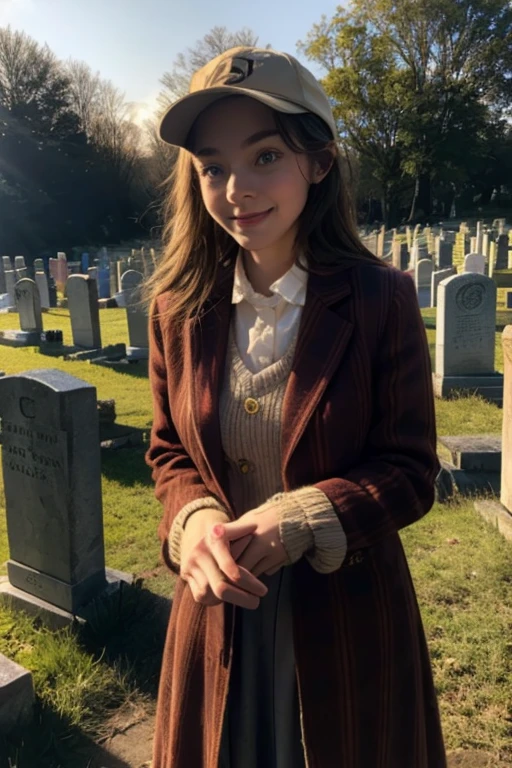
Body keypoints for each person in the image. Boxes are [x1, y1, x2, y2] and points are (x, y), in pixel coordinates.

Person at [145, 46, 446, 768]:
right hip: (215, 618)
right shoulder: (174, 310)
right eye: (213, 166)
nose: (236, 189)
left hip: (348, 627)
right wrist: (193, 521)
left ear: (319, 162)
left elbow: (409, 470)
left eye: (266, 155)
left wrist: (307, 515)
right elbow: (167, 453)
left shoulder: (382, 299)